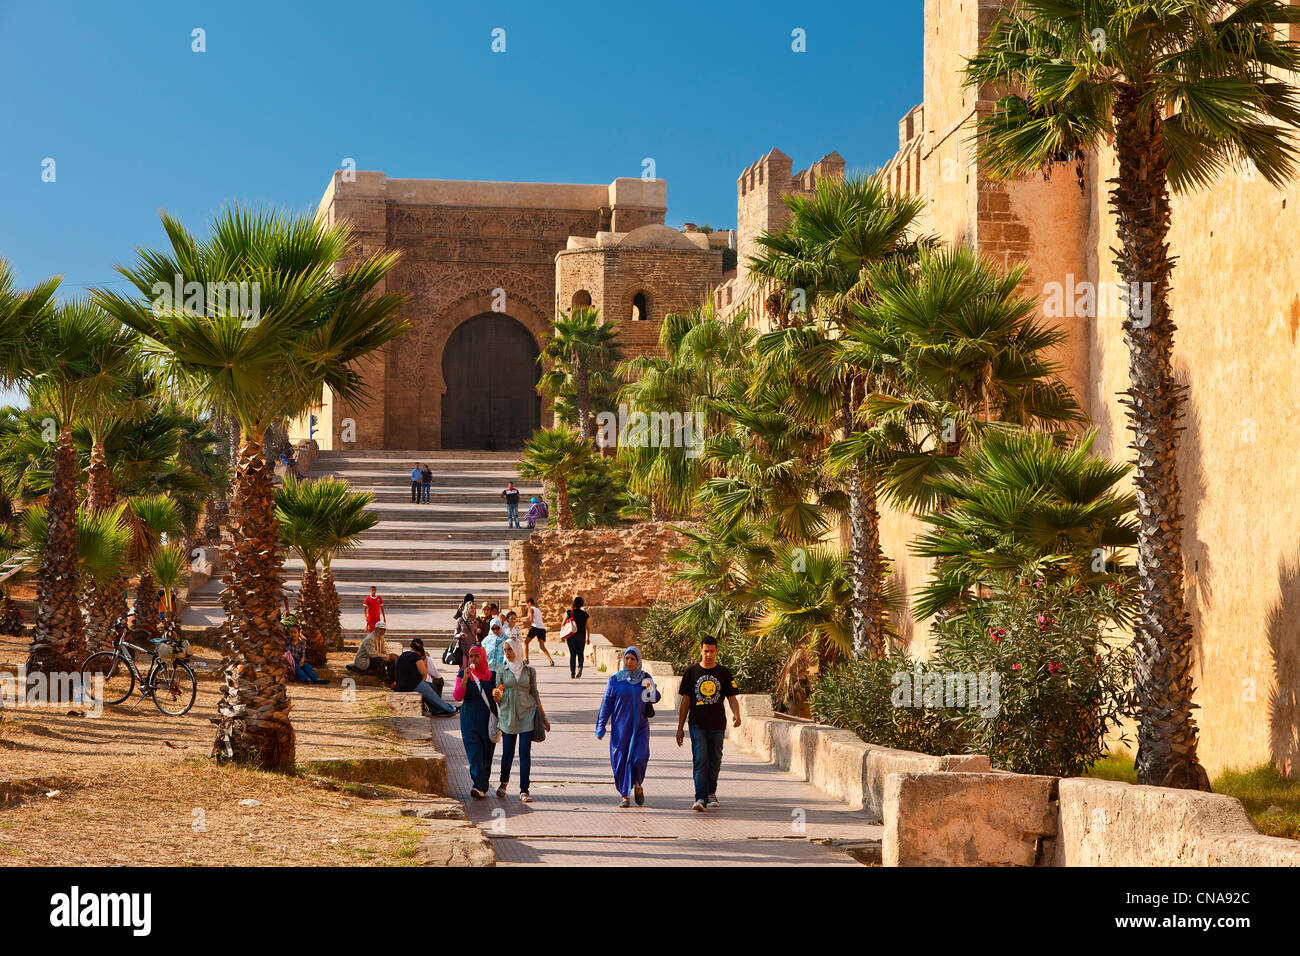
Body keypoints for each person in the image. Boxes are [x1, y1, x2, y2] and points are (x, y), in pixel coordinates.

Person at [675, 636, 742, 812]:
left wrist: (737, 714)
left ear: (716, 652)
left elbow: (732, 698)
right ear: (701, 651)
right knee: (700, 758)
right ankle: (700, 797)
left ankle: (711, 792)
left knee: (715, 760)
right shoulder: (691, 672)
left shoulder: (724, 673)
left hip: (717, 724)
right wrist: (680, 728)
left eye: (712, 651)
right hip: (697, 723)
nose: (709, 655)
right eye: (706, 651)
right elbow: (685, 702)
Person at [596, 646, 661, 808]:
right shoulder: (615, 680)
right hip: (620, 729)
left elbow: (655, 698)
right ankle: (625, 795)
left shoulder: (645, 678)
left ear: (638, 661)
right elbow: (606, 705)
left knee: (640, 757)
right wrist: (600, 727)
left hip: (640, 727)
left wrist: (651, 689)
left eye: (633, 659)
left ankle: (637, 784)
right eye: (627, 658)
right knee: (620, 761)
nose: (629, 661)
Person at [492, 636, 547, 803]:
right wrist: (496, 695)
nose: (507, 653)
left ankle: (524, 790)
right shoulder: (502, 671)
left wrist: (543, 717)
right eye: (505, 650)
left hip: (527, 715)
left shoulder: (529, 671)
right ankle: (504, 782)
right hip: (508, 716)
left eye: (510, 649)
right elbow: (499, 694)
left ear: (517, 650)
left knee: (524, 754)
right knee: (507, 753)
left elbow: (535, 694)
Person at [455, 646, 497, 799]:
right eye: (470, 656)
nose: (473, 659)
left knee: (486, 754)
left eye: (476, 656)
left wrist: (497, 695)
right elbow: (457, 696)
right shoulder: (463, 674)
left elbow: (501, 697)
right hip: (469, 720)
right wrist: (465, 679)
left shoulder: (492, 676)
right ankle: (477, 785)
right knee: (474, 754)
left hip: (487, 721)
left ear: (483, 657)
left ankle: (482, 787)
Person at [395, 638, 456, 715]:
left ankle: (436, 710)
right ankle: (450, 709)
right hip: (412, 685)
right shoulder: (416, 657)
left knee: (431, 686)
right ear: (420, 653)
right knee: (433, 697)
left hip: (400, 686)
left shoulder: (403, 655)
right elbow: (424, 672)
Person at [347, 621, 396, 687]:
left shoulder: (381, 637)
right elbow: (372, 654)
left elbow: (383, 651)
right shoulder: (370, 639)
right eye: (380, 629)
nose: (382, 631)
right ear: (376, 629)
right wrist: (388, 657)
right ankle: (382, 681)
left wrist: (389, 657)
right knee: (379, 660)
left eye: (384, 630)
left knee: (391, 661)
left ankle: (392, 680)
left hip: (371, 659)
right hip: (363, 661)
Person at [562, 596, 589, 679]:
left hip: (571, 636)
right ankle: (580, 667)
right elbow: (588, 627)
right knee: (580, 653)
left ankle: (572, 673)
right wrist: (588, 638)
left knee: (572, 654)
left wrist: (563, 635)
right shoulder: (585, 614)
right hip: (581, 636)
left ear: (574, 603)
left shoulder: (569, 612)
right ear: (582, 604)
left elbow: (563, 623)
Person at [524, 597, 553, 666]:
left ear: (529, 603)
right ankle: (550, 660)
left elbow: (531, 619)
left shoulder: (531, 609)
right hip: (542, 629)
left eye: (527, 604)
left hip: (535, 627)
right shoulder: (538, 610)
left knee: (525, 642)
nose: (526, 606)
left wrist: (529, 624)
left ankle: (527, 659)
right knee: (542, 646)